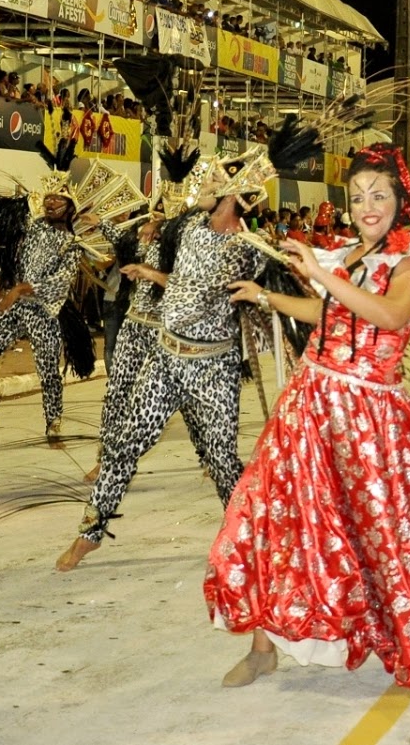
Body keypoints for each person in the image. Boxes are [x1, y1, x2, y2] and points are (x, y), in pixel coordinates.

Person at [205, 144, 410, 690]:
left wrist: (324, 271)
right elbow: (328, 313)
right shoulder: (349, 258)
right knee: (275, 519)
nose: (368, 206)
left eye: (380, 195)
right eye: (359, 196)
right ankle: (262, 645)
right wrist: (267, 296)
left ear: (399, 201)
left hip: (371, 421)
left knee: (397, 535)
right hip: (311, 404)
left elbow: (389, 317)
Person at [56, 156, 266, 571]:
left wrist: (157, 276)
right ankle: (91, 532)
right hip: (166, 358)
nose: (201, 187)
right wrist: (153, 267)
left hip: (212, 369)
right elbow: (180, 272)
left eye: (210, 181)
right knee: (124, 445)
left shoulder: (246, 251)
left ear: (232, 195)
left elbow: (206, 293)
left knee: (223, 460)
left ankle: (248, 538)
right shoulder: (188, 228)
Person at [0, 146, 116, 449]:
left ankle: (53, 424)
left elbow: (60, 282)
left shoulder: (70, 241)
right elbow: (9, 248)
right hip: (13, 306)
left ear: (69, 206)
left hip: (44, 312)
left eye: (58, 199)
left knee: (48, 372)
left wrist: (20, 290)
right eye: (49, 198)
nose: (51, 202)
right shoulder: (32, 226)